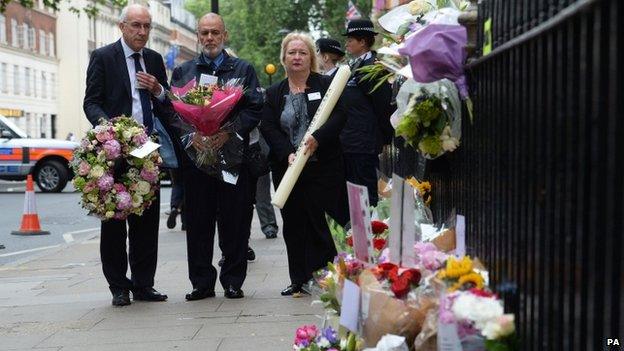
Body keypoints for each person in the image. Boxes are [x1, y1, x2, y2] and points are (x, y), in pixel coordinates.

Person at [83, 4, 176, 306]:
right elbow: (91, 102)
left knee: (146, 221)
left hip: (147, 149)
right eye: (136, 25)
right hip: (114, 150)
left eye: (147, 26)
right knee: (114, 220)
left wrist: (159, 89)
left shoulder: (153, 59)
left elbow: (168, 106)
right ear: (122, 26)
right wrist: (111, 130)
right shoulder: (103, 57)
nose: (143, 32)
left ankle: (144, 284)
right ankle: (118, 287)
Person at [170, 13, 263, 300]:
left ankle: (233, 280)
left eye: (215, 33)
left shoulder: (243, 69)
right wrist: (193, 135)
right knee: (198, 222)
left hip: (233, 157)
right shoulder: (183, 72)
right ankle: (201, 282)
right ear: (198, 36)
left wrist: (229, 131)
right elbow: (174, 112)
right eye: (204, 33)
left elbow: (254, 108)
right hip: (197, 159)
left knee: (234, 221)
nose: (209, 38)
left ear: (225, 36)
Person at [260, 32, 347, 296]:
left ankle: (326, 276)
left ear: (312, 57)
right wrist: (287, 152)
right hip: (288, 169)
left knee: (322, 223)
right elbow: (269, 126)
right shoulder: (274, 93)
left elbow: (340, 115)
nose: (297, 57)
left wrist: (318, 139)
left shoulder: (326, 85)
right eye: (291, 53)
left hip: (323, 167)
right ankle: (298, 279)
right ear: (283, 58)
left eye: (302, 52)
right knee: (294, 224)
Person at [341, 19, 394, 207]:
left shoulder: (374, 66)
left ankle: (371, 232)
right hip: (351, 141)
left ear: (362, 41)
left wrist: (383, 137)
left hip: (364, 141)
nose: (346, 43)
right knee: (353, 194)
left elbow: (382, 105)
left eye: (350, 39)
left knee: (366, 194)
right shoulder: (353, 65)